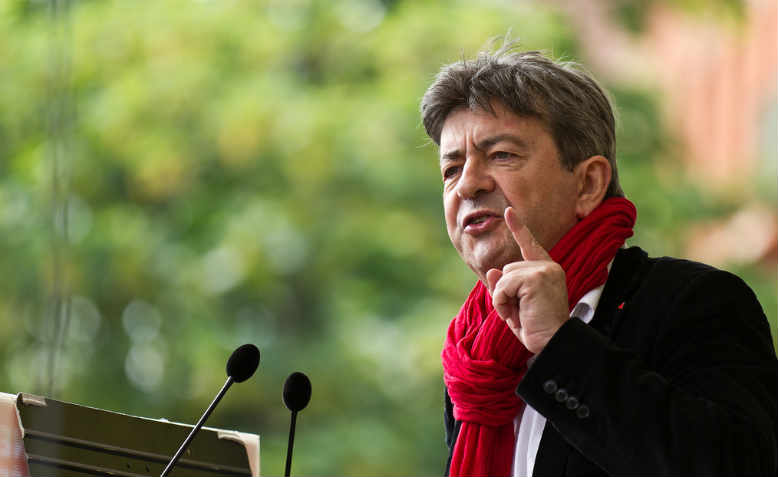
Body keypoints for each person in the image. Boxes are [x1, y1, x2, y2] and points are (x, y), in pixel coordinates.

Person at [420, 42, 778, 477]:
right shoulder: (476, 357)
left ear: (589, 183)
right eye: (451, 168)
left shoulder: (695, 301)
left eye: (501, 155)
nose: (467, 185)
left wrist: (560, 345)